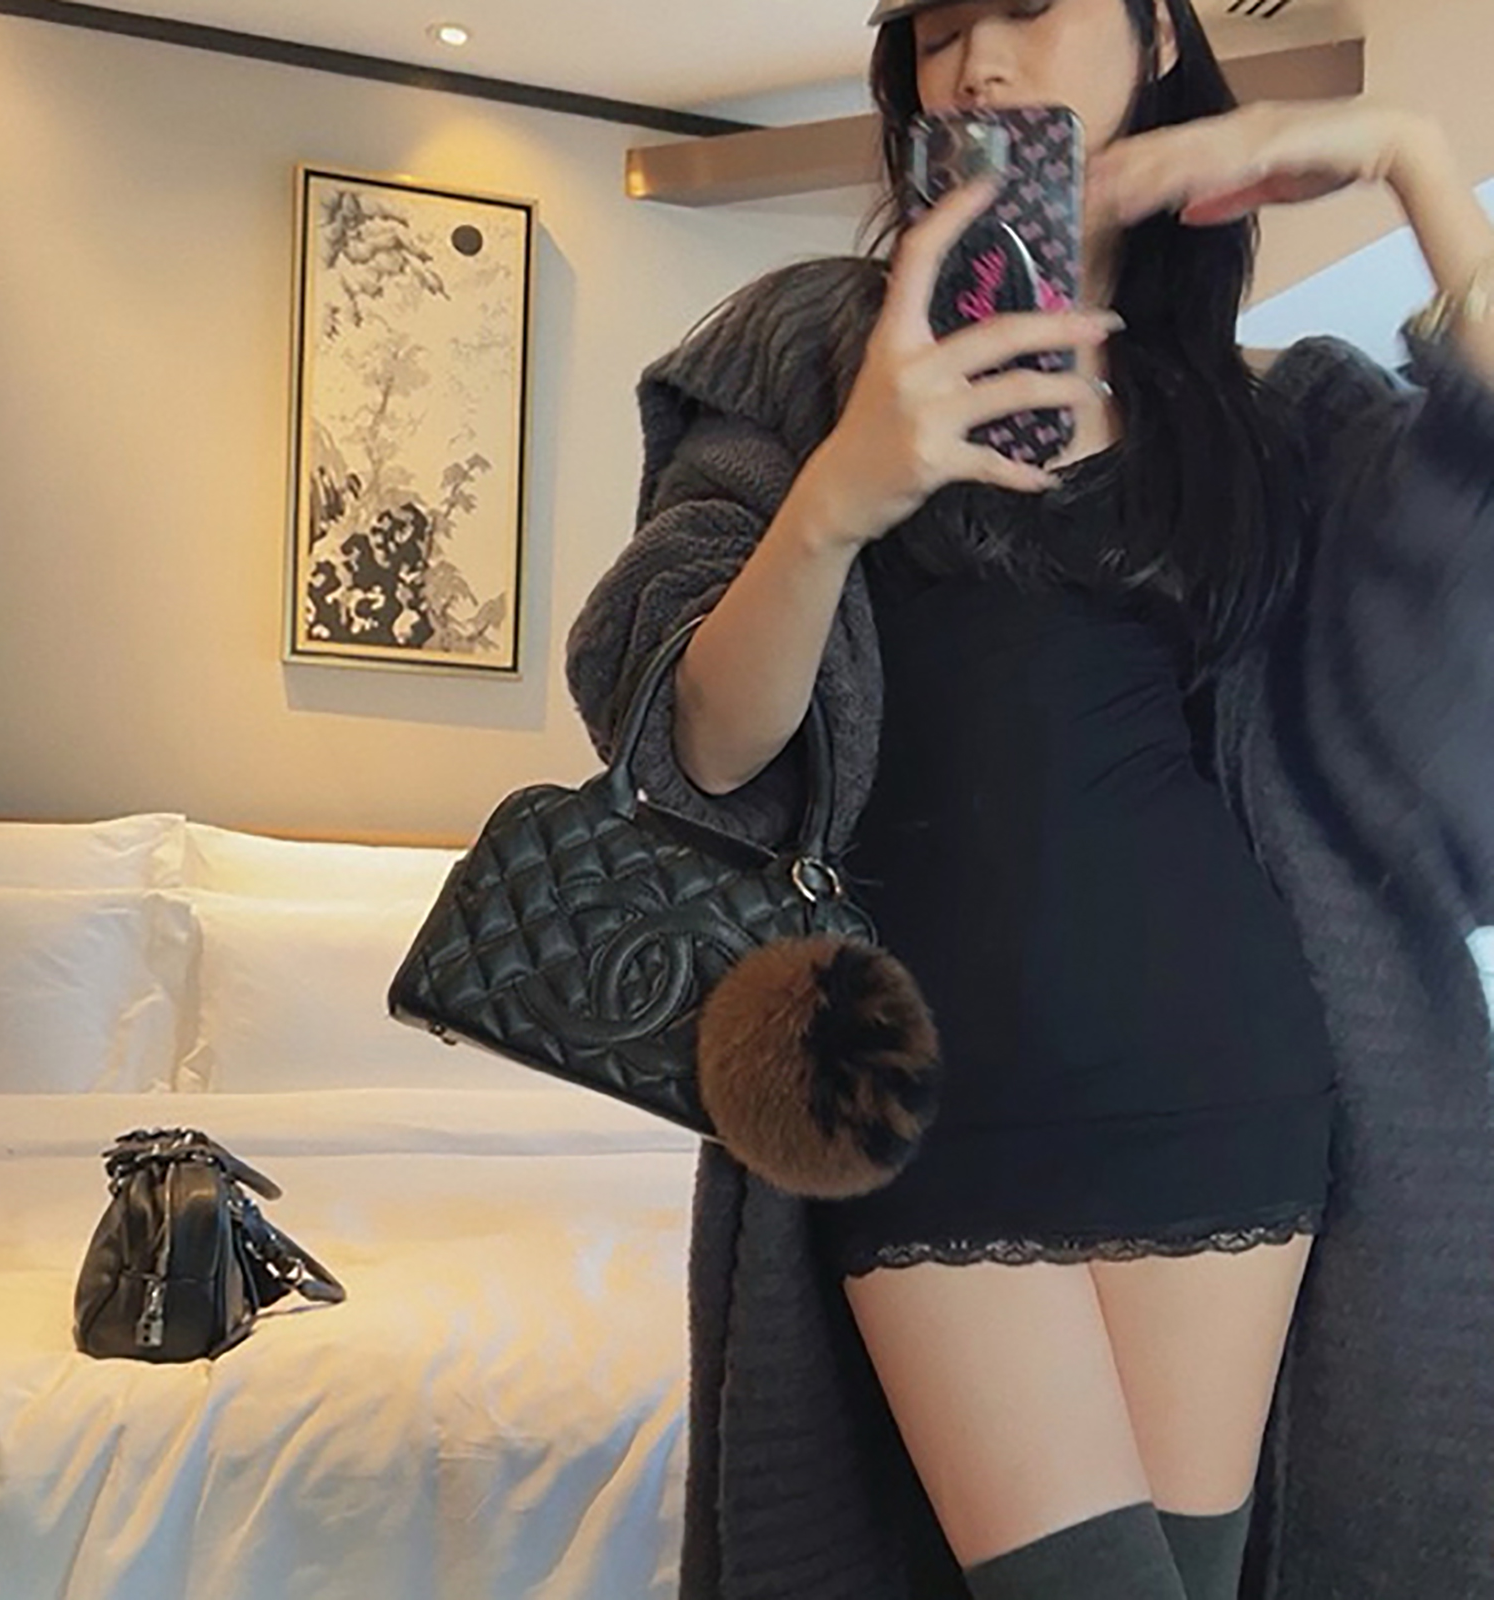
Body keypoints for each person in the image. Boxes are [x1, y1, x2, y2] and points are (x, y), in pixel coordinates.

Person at [565, 1, 1494, 1595]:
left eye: (1030, 9)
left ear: (1155, 37)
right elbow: (700, 745)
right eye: (938, 31)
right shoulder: (807, 354)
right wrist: (842, 493)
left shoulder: (1266, 417)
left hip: (1223, 1080)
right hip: (926, 1092)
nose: (980, 63)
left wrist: (1414, 163)